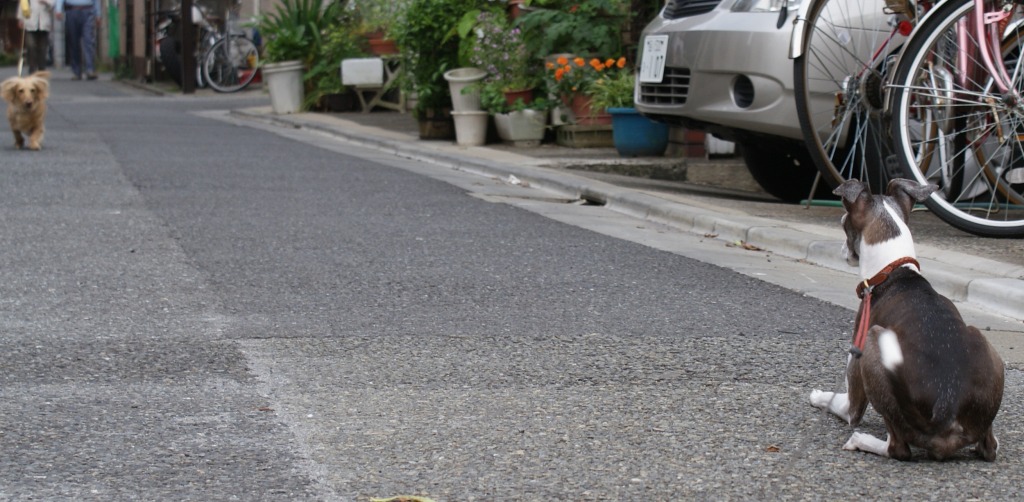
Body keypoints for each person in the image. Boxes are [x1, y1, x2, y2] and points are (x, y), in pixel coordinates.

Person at [54, 0, 101, 80]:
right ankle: (76, 71)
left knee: (89, 41)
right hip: (71, 10)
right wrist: (58, 9)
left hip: (87, 10)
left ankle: (90, 69)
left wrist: (98, 14)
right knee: (73, 42)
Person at [17, 0, 54, 75]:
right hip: (30, 22)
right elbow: (22, 4)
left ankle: (41, 69)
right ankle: (32, 69)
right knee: (31, 46)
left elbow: (53, 5)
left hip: (44, 24)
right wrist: (20, 19)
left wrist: (45, 2)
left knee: (43, 48)